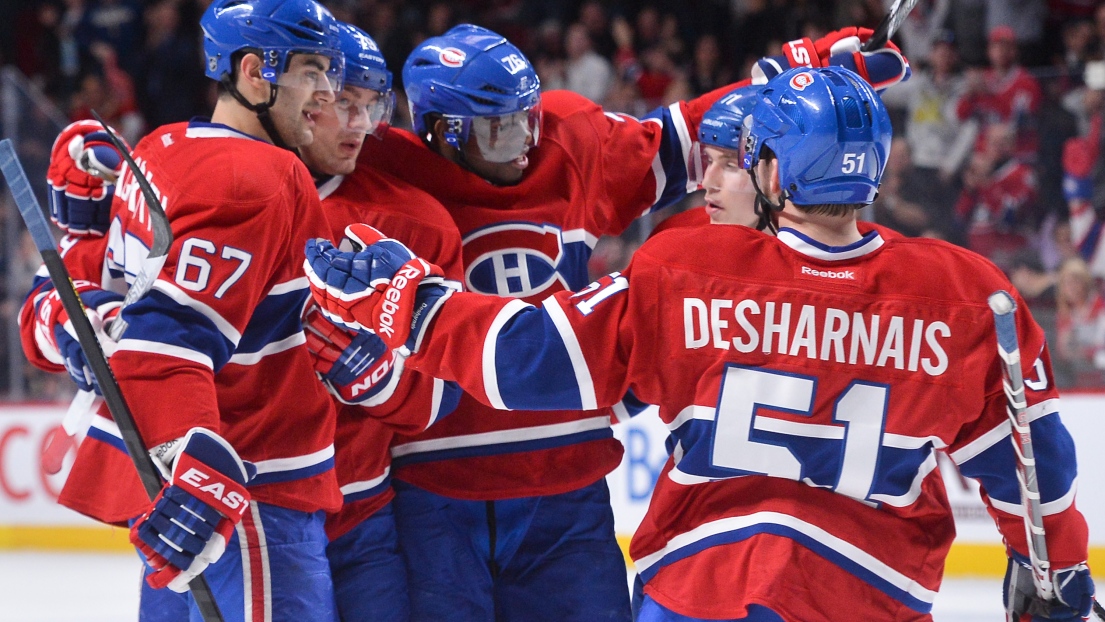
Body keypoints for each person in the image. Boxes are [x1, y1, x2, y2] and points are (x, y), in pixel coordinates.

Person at [306, 66, 1096, 622]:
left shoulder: (694, 267)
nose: (713, 179)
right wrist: (1055, 564)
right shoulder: (965, 291)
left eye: (735, 160)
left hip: (702, 589)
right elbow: (1034, 463)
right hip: (872, 590)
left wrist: (409, 305)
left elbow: (534, 357)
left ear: (776, 169)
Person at [354, 23, 911, 621]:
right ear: (439, 129)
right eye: (498, 129)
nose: (522, 143)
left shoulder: (569, 142)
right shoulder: (380, 167)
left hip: (567, 492)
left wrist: (803, 81)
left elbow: (700, 140)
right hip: (435, 491)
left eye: (528, 119)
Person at [21, 0, 348, 619]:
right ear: (256, 72)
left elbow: (98, 315)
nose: (326, 92)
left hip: (180, 501)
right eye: (311, 70)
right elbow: (169, 343)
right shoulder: (259, 175)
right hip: (247, 499)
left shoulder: (162, 148)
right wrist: (194, 462)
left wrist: (77, 271)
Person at [296, 22, 464, 622]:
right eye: (345, 103)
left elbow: (444, 394)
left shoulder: (417, 223)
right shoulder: (236, 197)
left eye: (373, 106)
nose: (361, 125)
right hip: (255, 510)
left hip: (365, 512)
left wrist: (376, 377)